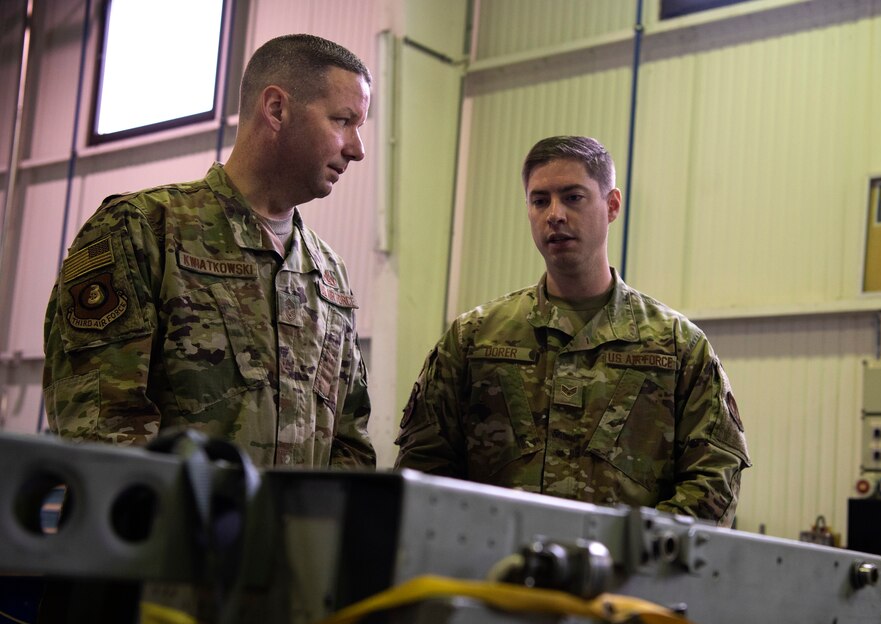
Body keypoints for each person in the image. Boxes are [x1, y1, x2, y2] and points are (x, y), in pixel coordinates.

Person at [42, 34, 375, 469]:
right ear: (277, 109)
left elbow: (350, 440)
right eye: (342, 121)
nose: (357, 149)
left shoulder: (329, 273)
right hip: (175, 533)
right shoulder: (144, 228)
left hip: (292, 536)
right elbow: (101, 429)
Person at [395, 135, 750, 526]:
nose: (555, 214)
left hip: (623, 580)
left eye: (573, 197)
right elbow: (422, 468)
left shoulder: (678, 347)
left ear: (611, 205)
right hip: (497, 578)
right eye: (540, 200)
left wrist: (631, 554)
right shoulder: (476, 338)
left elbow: (714, 478)